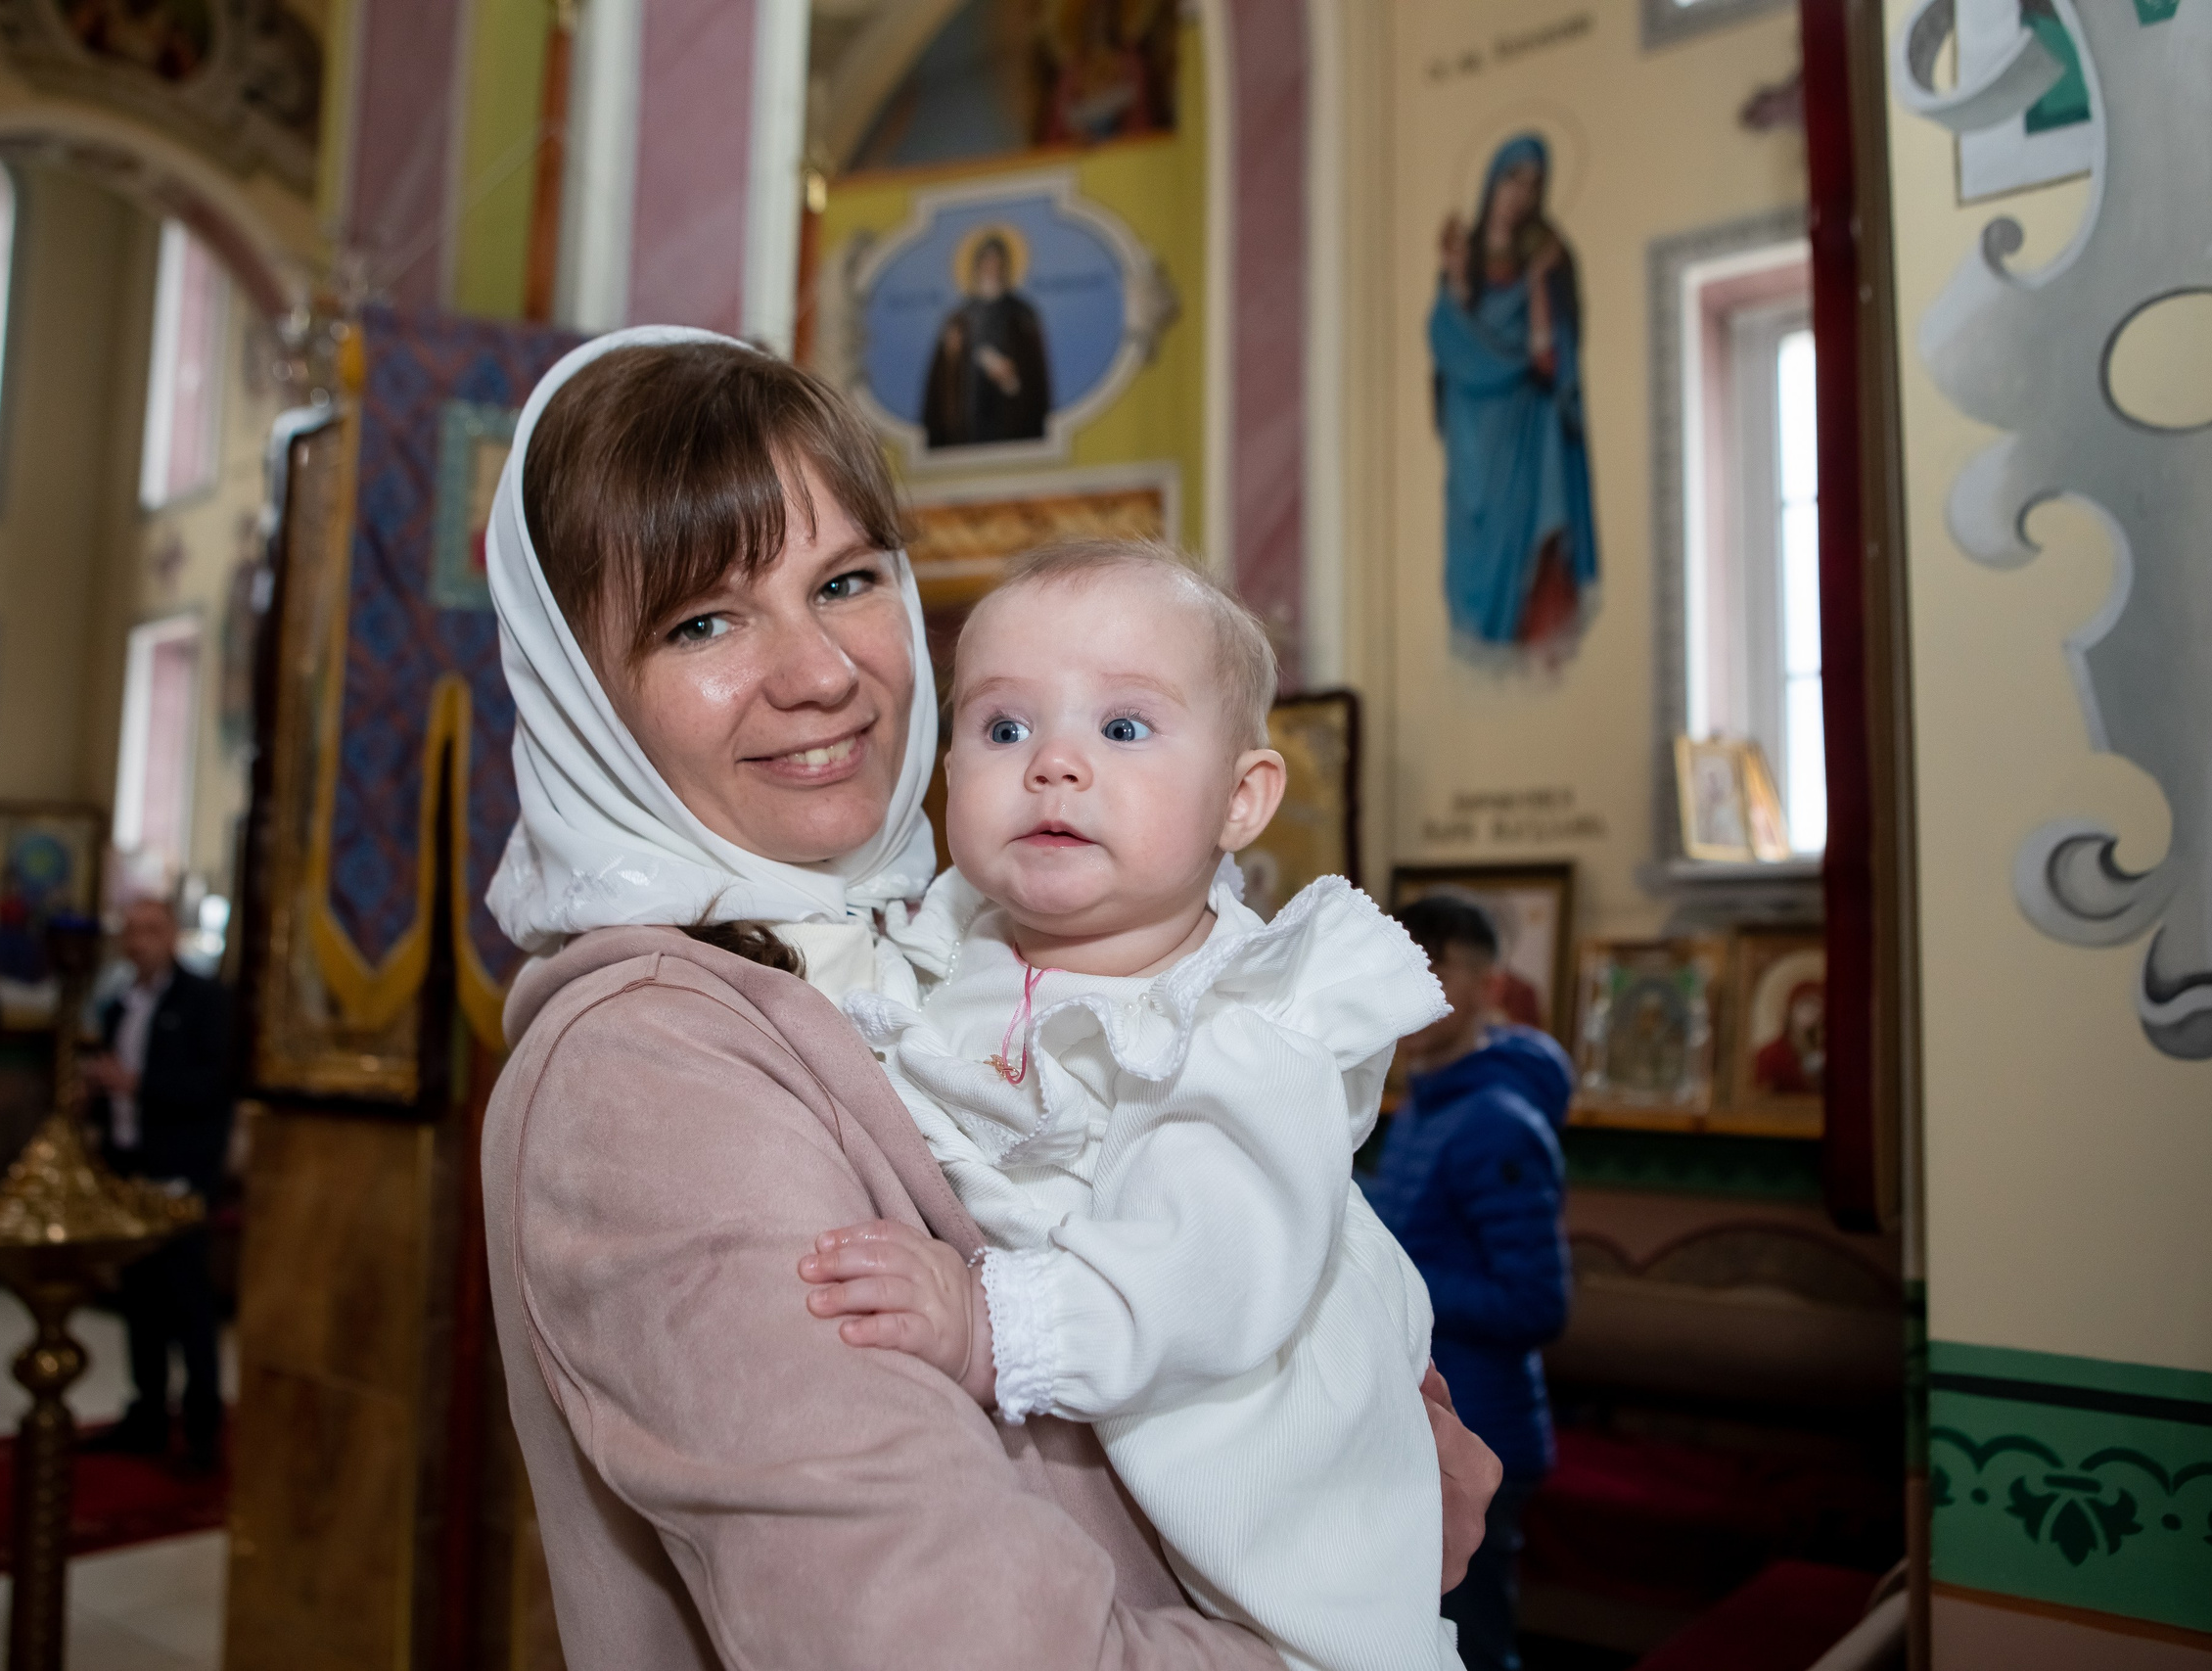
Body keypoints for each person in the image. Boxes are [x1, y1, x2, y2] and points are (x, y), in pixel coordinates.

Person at [480, 326, 1498, 1669]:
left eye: (844, 580)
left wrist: (1344, 1453)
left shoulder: (958, 931)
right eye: (704, 620)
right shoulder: (646, 1071)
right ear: (582, 700)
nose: (821, 671)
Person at [820, 542, 1461, 1671]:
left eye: (1122, 730)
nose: (1054, 765)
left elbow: (1207, 1264)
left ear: (1242, 799)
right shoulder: (935, 951)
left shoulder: (1247, 1022)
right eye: (1005, 729)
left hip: (1257, 1451)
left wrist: (990, 1326)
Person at [1364, 896, 1574, 1671]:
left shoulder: (1498, 1119)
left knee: (1470, 1645)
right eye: (1399, 962)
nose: (1410, 985)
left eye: (1434, 966)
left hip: (1482, 1426)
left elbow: (1536, 1302)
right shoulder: (1426, 1099)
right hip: (1425, 1417)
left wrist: (1396, 1279)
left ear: (1486, 983)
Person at [1430, 132, 1598, 662]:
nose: (1521, 194)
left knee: (1531, 536)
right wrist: (1456, 280)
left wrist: (1538, 285)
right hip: (1472, 427)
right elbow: (1451, 343)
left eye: (1534, 184)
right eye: (1512, 179)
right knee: (1470, 534)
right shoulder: (1465, 259)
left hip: (1524, 426)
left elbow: (1552, 358)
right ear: (1491, 183)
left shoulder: (1547, 257)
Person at [80, 897, 231, 1468]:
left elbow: (211, 1086)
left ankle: (201, 1429)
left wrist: (137, 1083)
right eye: (129, 929)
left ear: (171, 936)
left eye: (149, 929)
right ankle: (146, 1411)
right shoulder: (120, 1004)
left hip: (182, 1168)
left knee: (187, 1299)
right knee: (140, 1295)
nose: (137, 940)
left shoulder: (206, 1001)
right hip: (130, 1164)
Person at [922, 234, 1051, 447]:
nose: (992, 267)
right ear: (977, 265)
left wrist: (1012, 378)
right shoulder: (959, 318)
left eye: (997, 261)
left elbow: (1035, 375)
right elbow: (942, 381)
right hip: (970, 421)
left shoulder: (1021, 315)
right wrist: (951, 356)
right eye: (986, 261)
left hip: (1010, 421)